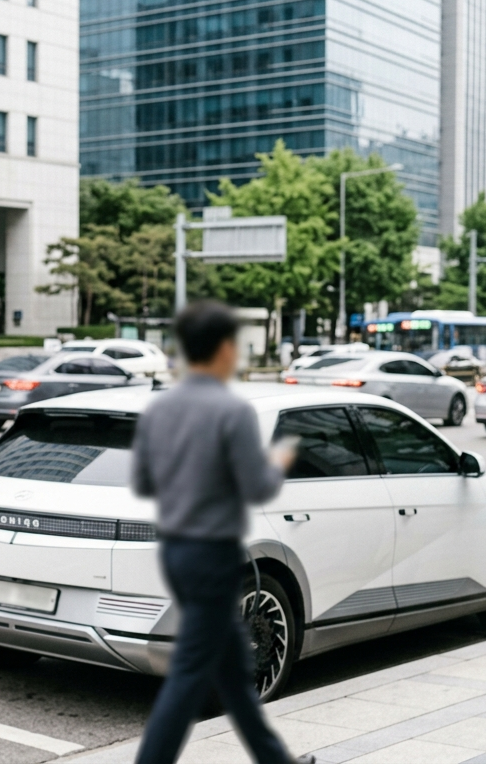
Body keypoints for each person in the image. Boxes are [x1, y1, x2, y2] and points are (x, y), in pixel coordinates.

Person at [131, 301, 312, 764]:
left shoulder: (160, 408)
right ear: (224, 349)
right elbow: (258, 487)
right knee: (190, 676)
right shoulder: (232, 410)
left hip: (176, 552)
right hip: (213, 555)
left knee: (233, 676)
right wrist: (277, 463)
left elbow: (145, 483)